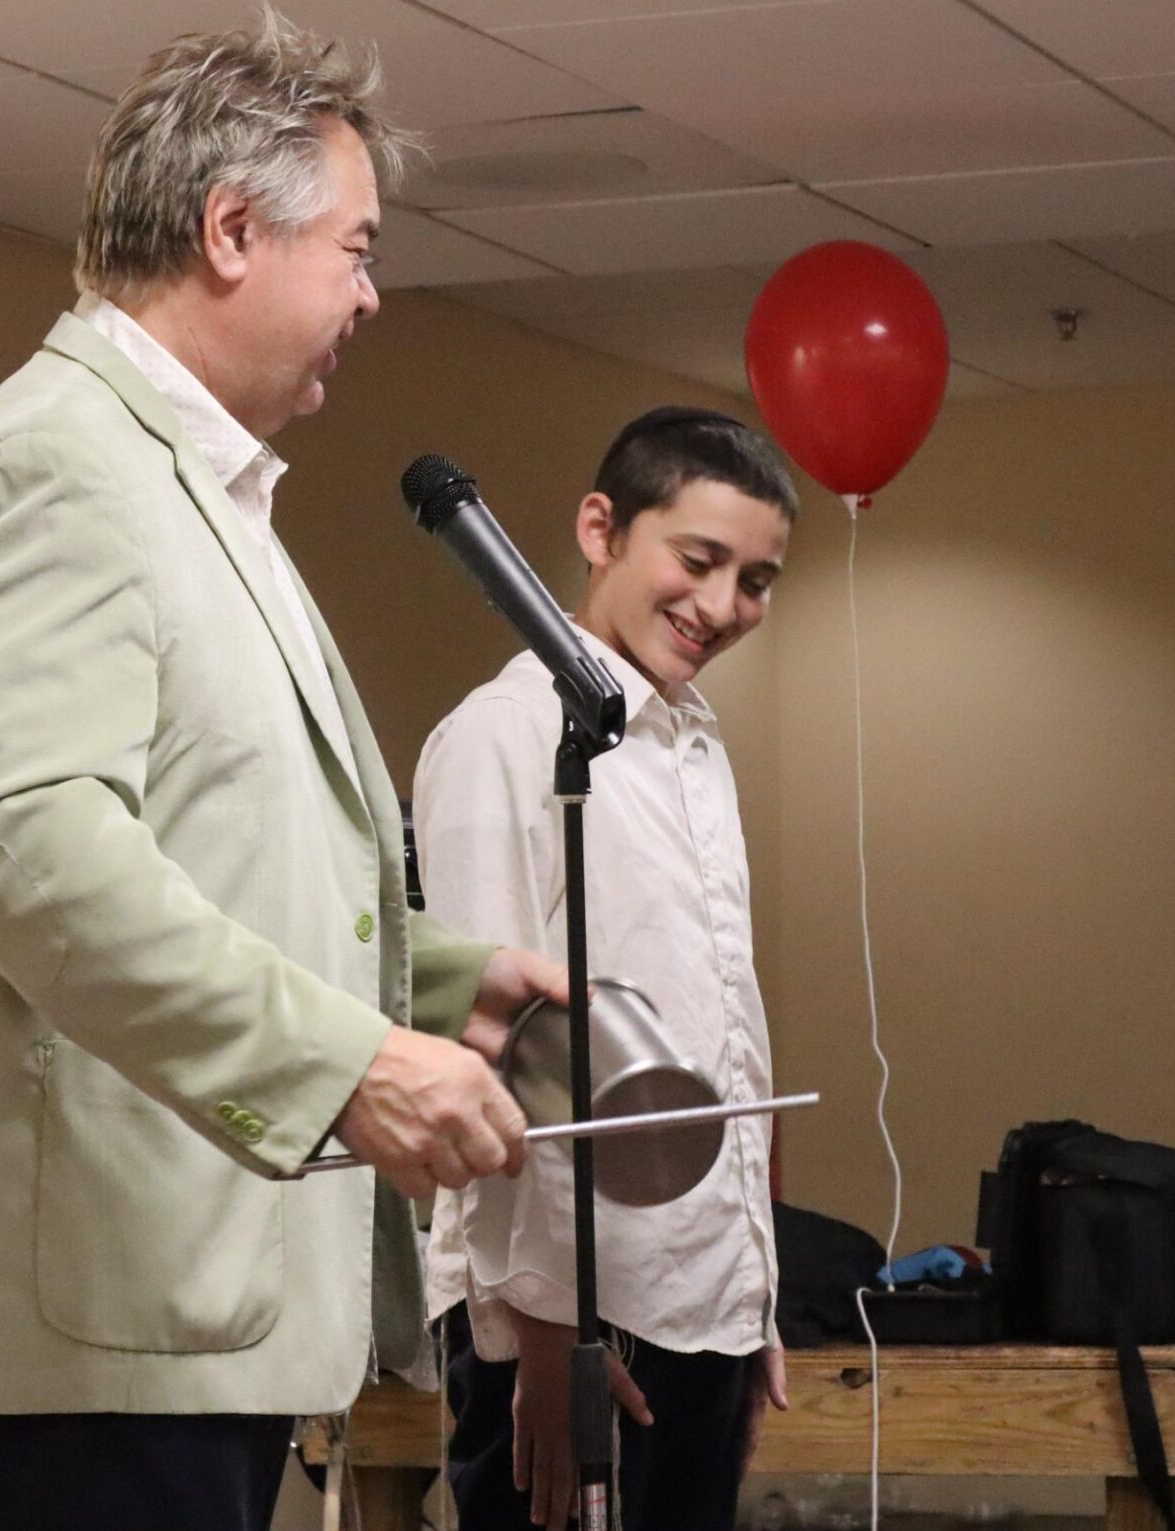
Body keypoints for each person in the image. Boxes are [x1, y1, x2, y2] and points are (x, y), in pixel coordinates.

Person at [0, 11, 565, 1531]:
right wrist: (345, 1067)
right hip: (116, 1290)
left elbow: (219, 842)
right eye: (354, 250)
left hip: (189, 1277)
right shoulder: (49, 471)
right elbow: (35, 856)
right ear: (230, 231)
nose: (371, 294)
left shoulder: (183, 481)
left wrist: (430, 982)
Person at [415, 407, 801, 1530]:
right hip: (570, 1318)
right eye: (699, 559)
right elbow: (492, 1054)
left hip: (699, 1297)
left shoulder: (692, 739)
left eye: (757, 580)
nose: (722, 606)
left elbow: (724, 1024)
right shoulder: (501, 733)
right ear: (600, 529)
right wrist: (548, 1337)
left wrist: (750, 1301)